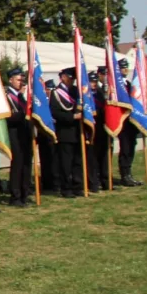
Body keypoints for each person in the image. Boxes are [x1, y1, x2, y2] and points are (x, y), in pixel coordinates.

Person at [50, 68, 82, 198]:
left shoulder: (76, 91)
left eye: (73, 78)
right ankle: (66, 188)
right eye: (69, 77)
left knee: (77, 162)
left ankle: (77, 186)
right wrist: (72, 118)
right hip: (65, 132)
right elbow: (55, 112)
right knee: (66, 163)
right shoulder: (56, 93)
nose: (72, 80)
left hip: (77, 132)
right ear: (62, 77)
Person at [4, 68, 34, 207]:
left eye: (22, 80)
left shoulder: (21, 97)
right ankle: (15, 196)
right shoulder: (7, 96)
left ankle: (24, 192)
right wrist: (24, 115)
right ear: (10, 80)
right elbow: (8, 116)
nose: (20, 82)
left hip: (25, 133)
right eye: (18, 79)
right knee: (18, 164)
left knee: (27, 163)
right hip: (14, 133)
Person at [116, 58, 144, 187]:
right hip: (122, 123)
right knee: (125, 149)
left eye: (126, 67)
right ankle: (124, 175)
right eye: (122, 67)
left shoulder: (128, 84)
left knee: (131, 148)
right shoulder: (116, 86)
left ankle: (129, 173)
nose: (125, 70)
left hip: (131, 123)